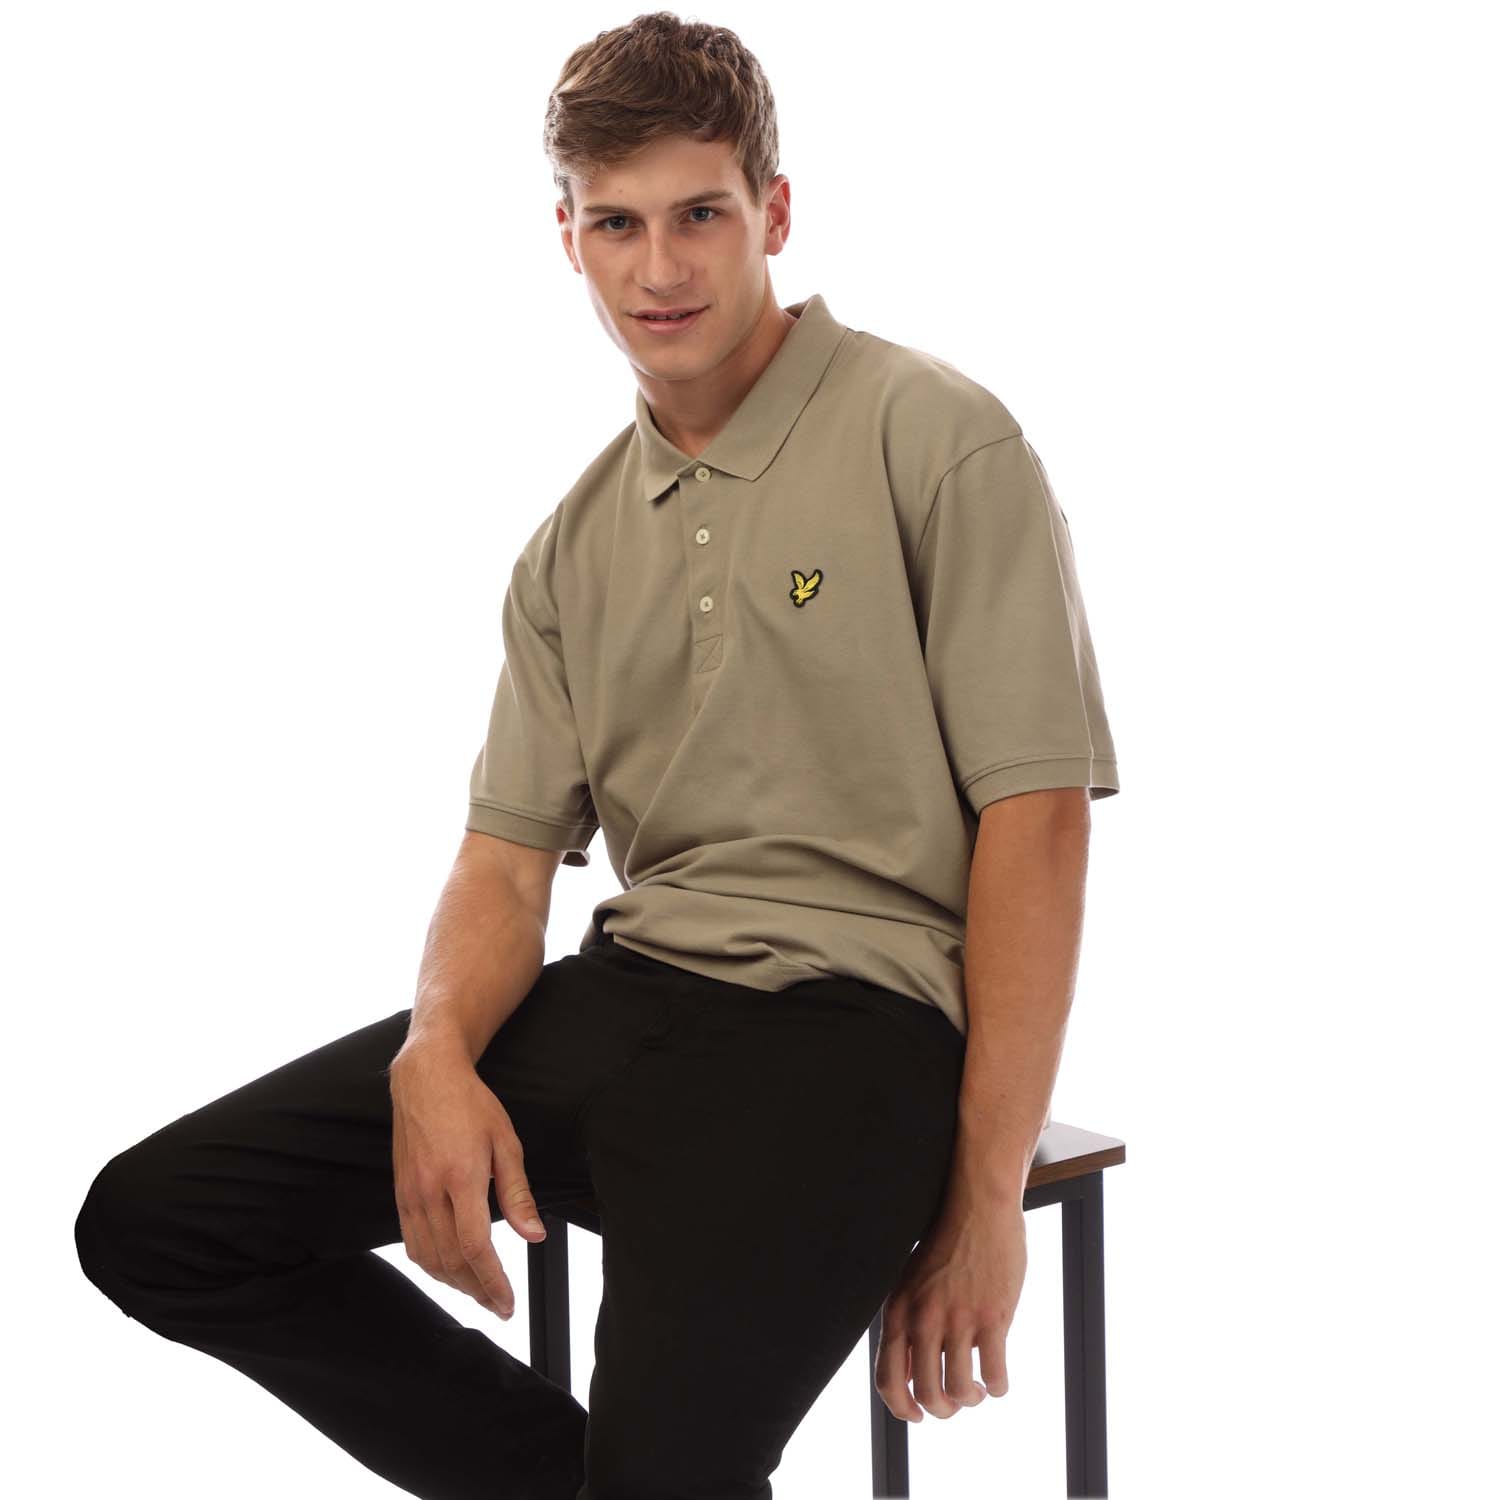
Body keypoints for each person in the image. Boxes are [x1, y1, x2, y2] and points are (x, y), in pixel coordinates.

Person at [73, 12, 1121, 1499]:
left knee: (670, 1464)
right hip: (629, 1001)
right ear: (565, 236)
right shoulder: (568, 548)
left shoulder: (934, 436)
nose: (660, 267)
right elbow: (505, 865)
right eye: (617, 223)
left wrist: (986, 1200)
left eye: (700, 214)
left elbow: (1039, 820)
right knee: (160, 1220)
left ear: (774, 212)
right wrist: (435, 1054)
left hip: (855, 1028)